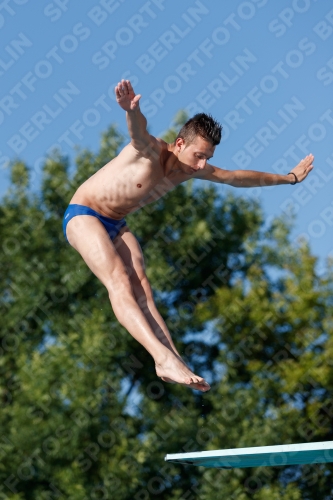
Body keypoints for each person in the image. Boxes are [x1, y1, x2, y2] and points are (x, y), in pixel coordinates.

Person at [63, 79, 314, 392]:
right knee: (119, 280)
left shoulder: (191, 169)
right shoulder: (149, 151)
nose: (202, 165)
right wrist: (131, 110)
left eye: (207, 157)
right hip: (83, 215)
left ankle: (173, 360)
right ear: (179, 144)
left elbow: (236, 177)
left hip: (115, 222)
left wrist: (289, 178)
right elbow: (138, 131)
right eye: (198, 155)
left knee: (143, 288)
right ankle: (160, 358)